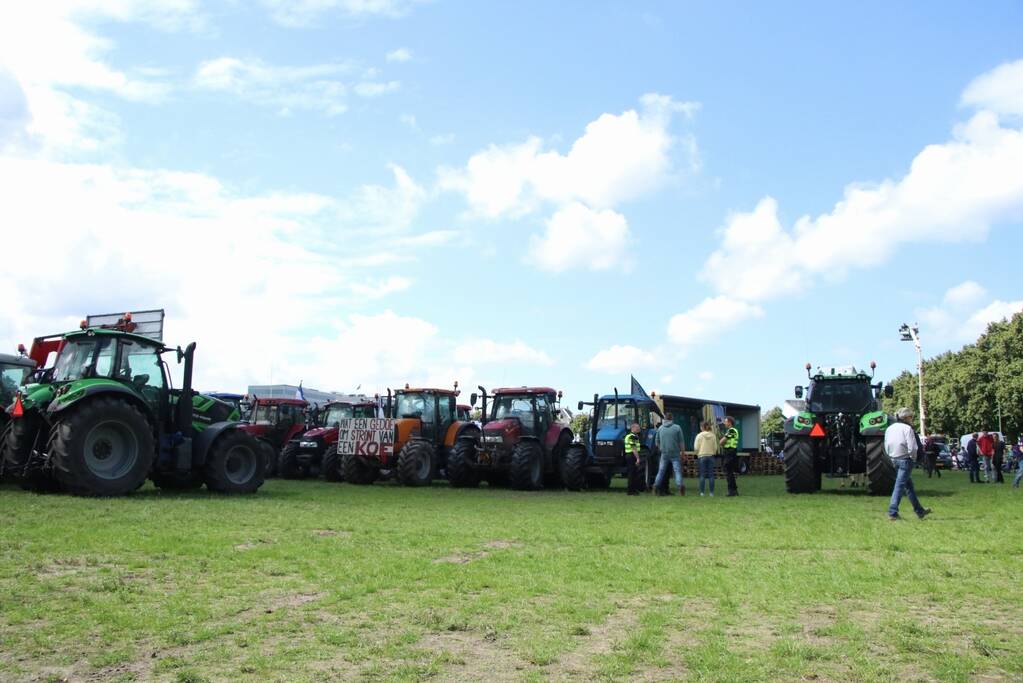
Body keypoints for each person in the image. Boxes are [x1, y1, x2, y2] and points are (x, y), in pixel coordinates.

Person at [884, 407, 932, 521]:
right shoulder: (907, 429)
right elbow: (912, 447)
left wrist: (891, 456)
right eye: (911, 417)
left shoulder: (889, 428)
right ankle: (892, 512)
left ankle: (919, 511)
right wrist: (913, 458)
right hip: (905, 460)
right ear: (906, 418)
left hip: (894, 459)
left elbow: (886, 445)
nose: (912, 419)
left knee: (908, 486)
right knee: (899, 486)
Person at [653, 412, 685, 496]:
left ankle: (656, 486)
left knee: (661, 471)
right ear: (672, 419)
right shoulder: (677, 427)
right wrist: (683, 452)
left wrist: (660, 448)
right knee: (677, 471)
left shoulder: (660, 428)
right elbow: (681, 442)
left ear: (665, 419)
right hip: (675, 453)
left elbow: (656, 441)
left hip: (664, 453)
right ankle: (680, 486)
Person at [693, 420, 718, 496]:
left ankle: (702, 493)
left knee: (702, 475)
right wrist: (713, 453)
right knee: (711, 475)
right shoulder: (713, 436)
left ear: (702, 427)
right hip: (711, 456)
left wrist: (697, 453)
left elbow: (696, 447)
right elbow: (715, 447)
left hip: (702, 456)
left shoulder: (699, 435)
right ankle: (711, 493)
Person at [718, 416, 740, 497]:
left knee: (728, 472)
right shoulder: (731, 431)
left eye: (725, 421)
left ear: (730, 422)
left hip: (730, 452)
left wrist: (721, 439)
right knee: (730, 472)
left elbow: (721, 442)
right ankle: (734, 490)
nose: (724, 423)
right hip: (731, 452)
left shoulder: (731, 430)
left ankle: (731, 491)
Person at [624, 422, 645, 496]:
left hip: (630, 455)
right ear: (633, 428)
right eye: (637, 428)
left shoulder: (630, 436)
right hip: (632, 456)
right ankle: (631, 490)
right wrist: (638, 458)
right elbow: (634, 448)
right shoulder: (632, 437)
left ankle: (632, 490)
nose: (639, 429)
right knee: (632, 473)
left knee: (633, 473)